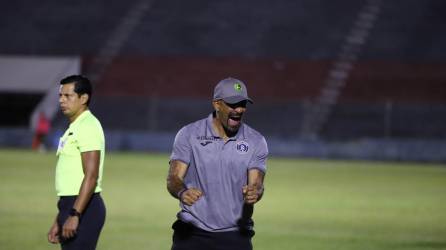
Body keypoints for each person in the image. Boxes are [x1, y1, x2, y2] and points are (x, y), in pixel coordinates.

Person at [167, 77, 268, 250]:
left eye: (243, 104)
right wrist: (183, 192)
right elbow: (173, 178)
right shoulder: (189, 134)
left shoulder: (256, 141)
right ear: (217, 104)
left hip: (235, 235)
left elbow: (257, 184)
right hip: (192, 232)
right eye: (233, 104)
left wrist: (255, 192)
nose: (239, 109)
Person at [47, 75, 106, 250]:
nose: (62, 100)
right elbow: (71, 180)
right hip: (71, 206)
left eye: (68, 96)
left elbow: (91, 175)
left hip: (84, 209)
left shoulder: (88, 126)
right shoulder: (75, 126)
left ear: (84, 98)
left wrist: (74, 214)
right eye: (60, 96)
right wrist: (60, 218)